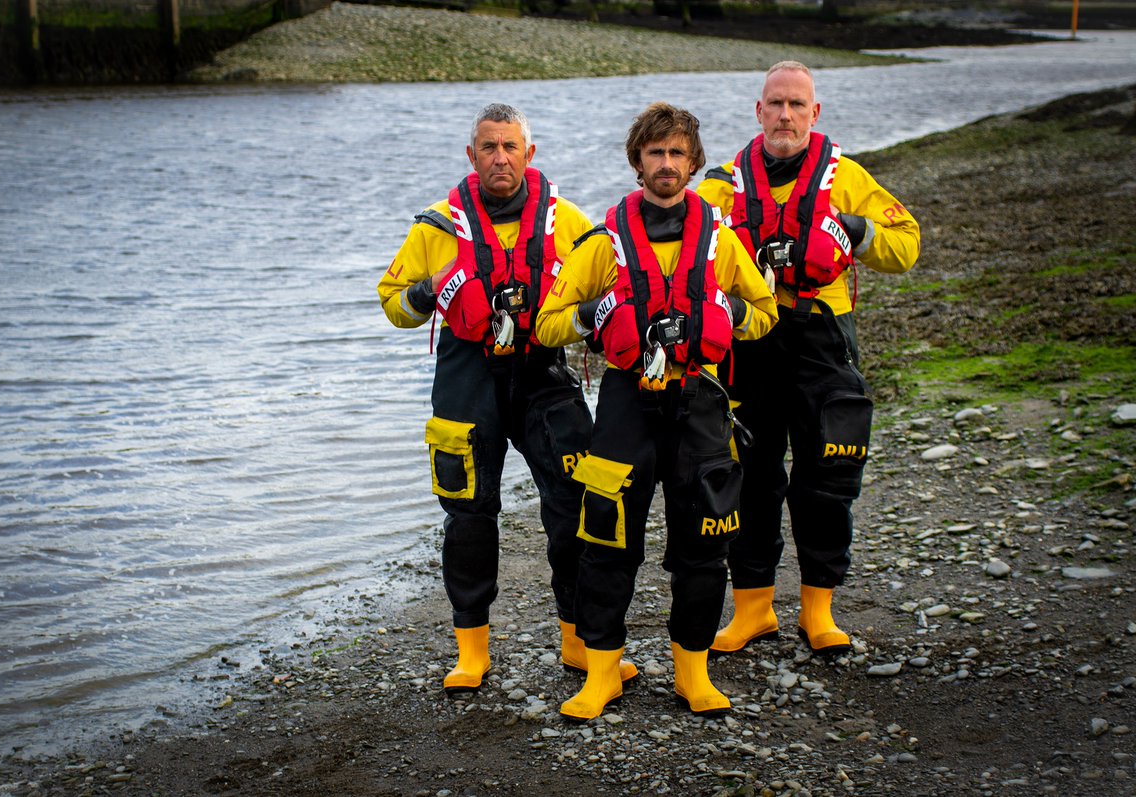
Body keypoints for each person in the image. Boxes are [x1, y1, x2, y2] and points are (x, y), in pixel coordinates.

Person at [377, 103, 640, 696]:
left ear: (530, 154)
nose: (500, 158)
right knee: (468, 512)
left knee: (576, 498)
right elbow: (392, 304)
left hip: (542, 371)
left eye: (510, 147)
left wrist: (598, 323)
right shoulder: (436, 228)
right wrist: (427, 292)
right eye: (489, 148)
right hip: (467, 375)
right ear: (471, 156)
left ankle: (578, 641)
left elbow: (613, 287)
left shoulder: (568, 222)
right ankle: (472, 649)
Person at [536, 102, 778, 721]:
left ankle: (692, 674)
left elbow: (765, 313)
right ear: (637, 161)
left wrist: (725, 315)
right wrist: (596, 317)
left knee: (704, 545)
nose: (666, 164)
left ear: (694, 163)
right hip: (625, 404)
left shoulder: (722, 240)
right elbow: (547, 323)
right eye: (655, 153)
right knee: (605, 539)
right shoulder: (601, 243)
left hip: (699, 401)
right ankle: (600, 674)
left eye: (676, 153)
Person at [696, 61, 921, 657]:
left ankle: (818, 612)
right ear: (759, 112)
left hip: (823, 340)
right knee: (750, 476)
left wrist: (851, 229)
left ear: (814, 114)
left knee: (827, 476)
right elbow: (683, 252)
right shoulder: (721, 187)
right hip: (749, 345)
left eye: (797, 104)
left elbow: (906, 244)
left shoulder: (845, 178)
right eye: (776, 104)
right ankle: (753, 609)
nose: (786, 115)